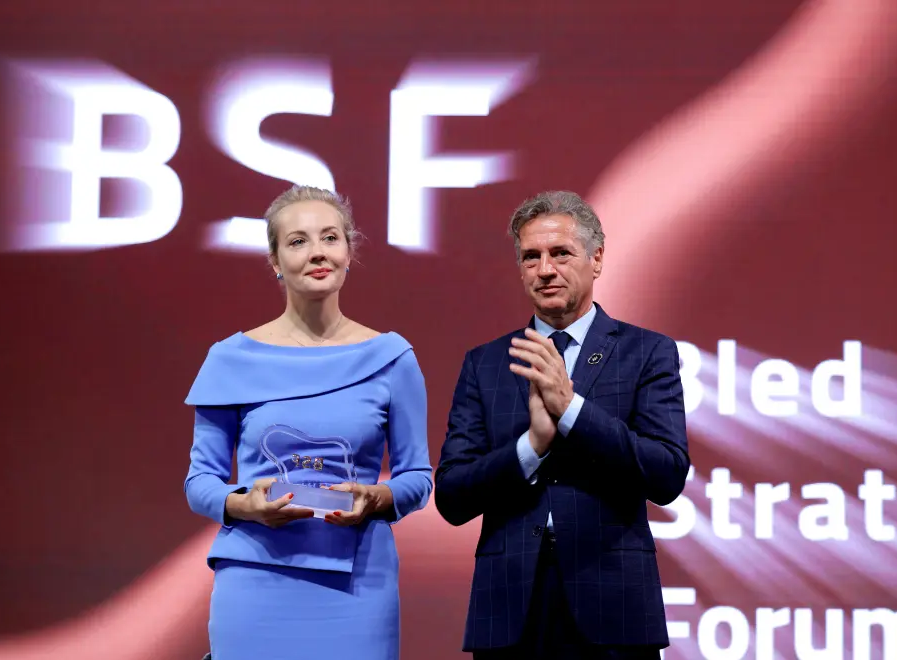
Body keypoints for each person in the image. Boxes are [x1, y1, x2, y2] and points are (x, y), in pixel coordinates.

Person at [435, 190, 690, 660]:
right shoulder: (487, 363)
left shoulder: (647, 352)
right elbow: (451, 496)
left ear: (596, 260)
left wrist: (572, 411)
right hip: (511, 608)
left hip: (612, 605)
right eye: (531, 257)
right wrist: (531, 446)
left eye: (560, 253)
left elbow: (667, 473)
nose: (545, 269)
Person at [183, 185, 433, 660]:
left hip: (359, 584)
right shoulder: (230, 359)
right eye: (298, 241)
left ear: (348, 252)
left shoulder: (391, 358)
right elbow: (201, 483)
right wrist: (246, 505)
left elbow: (418, 477)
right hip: (256, 579)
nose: (317, 252)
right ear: (274, 261)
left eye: (330, 237)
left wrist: (376, 497)